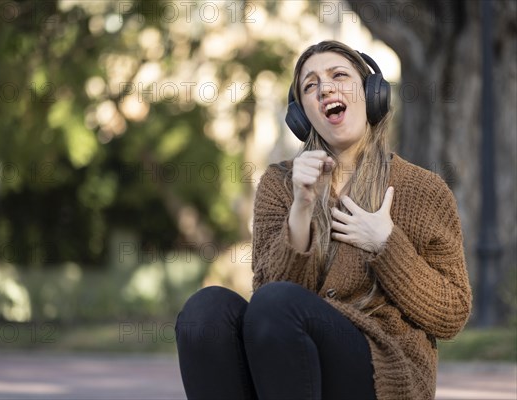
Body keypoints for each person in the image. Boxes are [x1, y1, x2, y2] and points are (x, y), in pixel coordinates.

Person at [175, 40, 472, 400]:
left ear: (370, 93)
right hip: (290, 357)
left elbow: (452, 314)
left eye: (339, 76)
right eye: (311, 85)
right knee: (204, 312)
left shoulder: (422, 189)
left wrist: (387, 245)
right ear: (302, 116)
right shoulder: (280, 184)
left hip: (382, 367)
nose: (326, 88)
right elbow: (271, 297)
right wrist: (301, 206)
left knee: (277, 304)